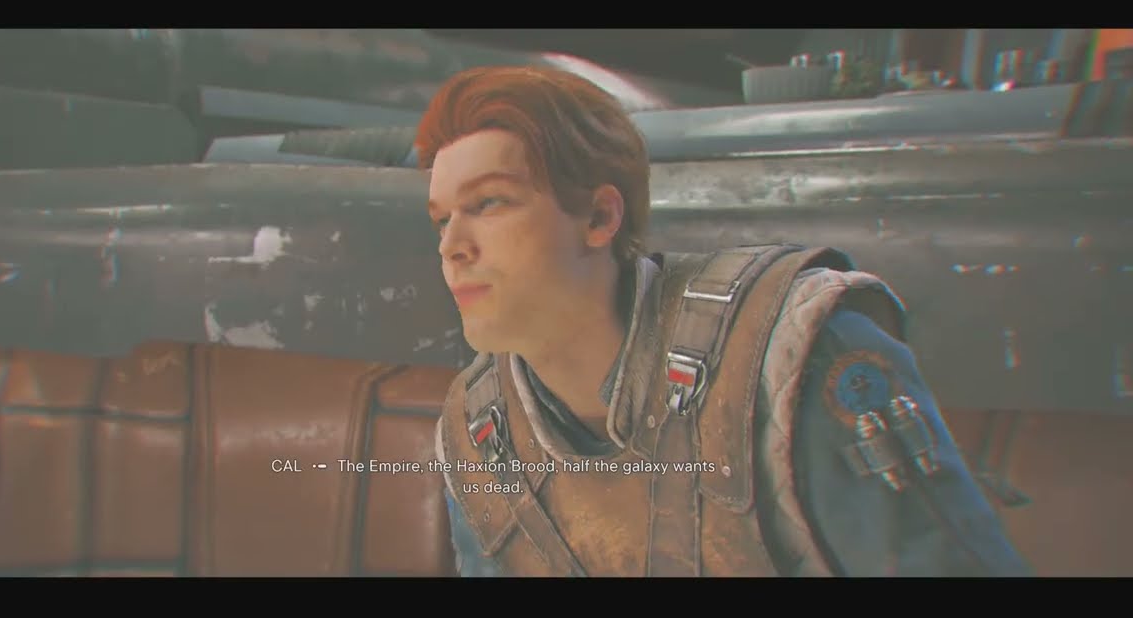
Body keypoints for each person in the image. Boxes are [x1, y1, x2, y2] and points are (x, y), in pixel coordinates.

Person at [417, 65, 1030, 577]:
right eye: (443, 219)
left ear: (600, 217)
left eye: (489, 203)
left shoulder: (789, 356)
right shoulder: (478, 428)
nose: (451, 247)